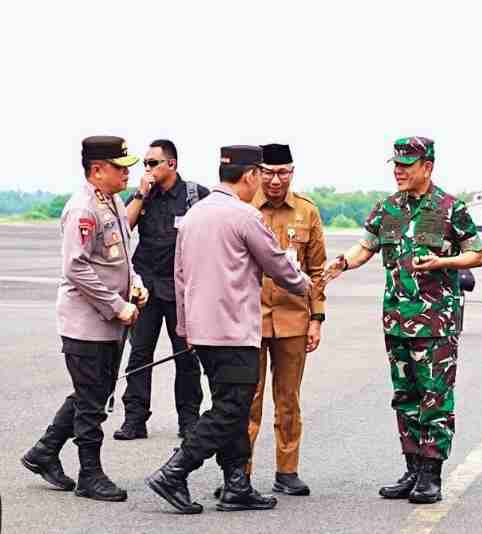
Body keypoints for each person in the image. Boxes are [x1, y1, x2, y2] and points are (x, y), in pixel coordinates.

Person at [146, 145, 309, 514]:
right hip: (234, 331)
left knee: (229, 406)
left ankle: (237, 483)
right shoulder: (244, 216)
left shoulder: (193, 215)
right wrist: (304, 286)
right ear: (250, 175)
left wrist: (185, 327)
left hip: (202, 332)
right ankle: (175, 471)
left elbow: (179, 276)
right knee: (230, 409)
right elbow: (277, 263)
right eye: (259, 176)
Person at [322, 136, 482, 504]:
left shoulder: (450, 208)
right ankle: (412, 468)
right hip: (396, 320)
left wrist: (443, 262)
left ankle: (431, 475)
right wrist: (342, 263)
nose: (399, 171)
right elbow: (366, 246)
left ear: (427, 167)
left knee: (435, 397)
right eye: (396, 165)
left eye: (406, 165)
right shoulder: (387, 209)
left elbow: (476, 255)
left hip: (436, 322)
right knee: (405, 396)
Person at [21, 136, 145, 502]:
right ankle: (90, 475)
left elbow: (121, 257)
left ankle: (43, 452)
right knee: (93, 401)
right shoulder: (83, 208)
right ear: (97, 170)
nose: (127, 174)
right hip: (87, 322)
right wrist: (116, 305)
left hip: (110, 321)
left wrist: (134, 285)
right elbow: (76, 267)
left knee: (92, 392)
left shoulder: (115, 203)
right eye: (120, 167)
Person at [243, 143, 326, 496]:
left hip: (293, 320)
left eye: (283, 172)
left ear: (292, 172)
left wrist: (317, 319)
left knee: (288, 399)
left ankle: (287, 470)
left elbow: (317, 270)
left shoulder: (307, 211)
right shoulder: (243, 208)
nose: (276, 180)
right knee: (247, 399)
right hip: (248, 319)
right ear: (258, 173)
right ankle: (239, 472)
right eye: (269, 172)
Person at [114, 139, 207, 440]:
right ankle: (135, 419)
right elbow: (124, 228)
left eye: (153, 163)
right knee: (140, 354)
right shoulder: (143, 196)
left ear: (172, 164)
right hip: (146, 289)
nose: (148, 169)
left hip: (181, 289)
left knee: (186, 356)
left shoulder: (195, 196)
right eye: (145, 164)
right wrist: (141, 193)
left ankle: (189, 419)